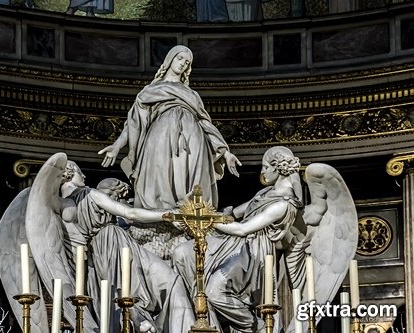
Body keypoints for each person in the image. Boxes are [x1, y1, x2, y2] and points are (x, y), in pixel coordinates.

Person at [98, 45, 241, 259]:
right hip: (160, 138)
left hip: (193, 139)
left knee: (192, 185)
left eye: (188, 62)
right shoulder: (150, 91)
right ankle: (163, 216)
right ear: (170, 59)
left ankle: (190, 218)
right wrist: (118, 146)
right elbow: (134, 123)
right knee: (159, 177)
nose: (183, 63)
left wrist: (225, 152)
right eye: (180, 58)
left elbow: (206, 123)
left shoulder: (192, 94)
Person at [55, 157, 195, 333]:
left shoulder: (58, 207)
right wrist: (169, 215)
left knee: (124, 298)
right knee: (169, 282)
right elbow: (131, 213)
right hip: (114, 245)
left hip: (95, 259)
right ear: (68, 174)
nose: (83, 175)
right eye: (78, 171)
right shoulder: (89, 194)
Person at [172, 146, 304, 333]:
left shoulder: (283, 205)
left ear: (277, 168)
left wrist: (205, 219)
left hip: (252, 252)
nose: (262, 171)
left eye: (265, 167)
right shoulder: (264, 194)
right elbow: (232, 214)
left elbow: (243, 229)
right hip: (233, 243)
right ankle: (201, 318)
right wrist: (198, 208)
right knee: (182, 253)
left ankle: (259, 327)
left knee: (214, 292)